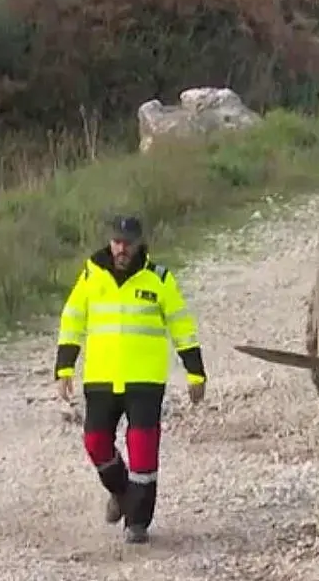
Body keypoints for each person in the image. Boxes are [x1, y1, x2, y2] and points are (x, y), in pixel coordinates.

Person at [55, 215, 207, 545]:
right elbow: (72, 319)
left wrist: (196, 372)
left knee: (143, 452)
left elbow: (182, 326)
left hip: (145, 381)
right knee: (95, 442)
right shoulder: (91, 275)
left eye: (128, 243)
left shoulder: (159, 279)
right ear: (110, 242)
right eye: (116, 242)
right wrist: (64, 367)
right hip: (101, 377)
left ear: (139, 244)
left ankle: (137, 522)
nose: (121, 249)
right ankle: (122, 492)